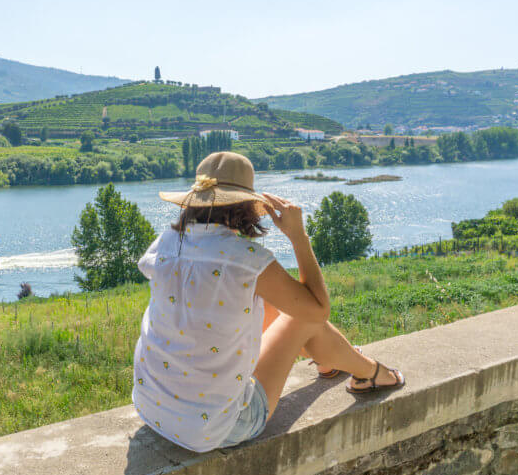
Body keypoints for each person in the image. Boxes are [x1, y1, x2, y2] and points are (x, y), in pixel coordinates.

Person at [132, 151, 404, 452]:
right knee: (303, 317)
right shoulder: (246, 260)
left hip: (151, 408)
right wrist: (298, 236)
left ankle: (332, 363)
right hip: (215, 430)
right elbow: (318, 310)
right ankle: (369, 373)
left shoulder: (167, 242)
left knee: (272, 304)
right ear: (246, 207)